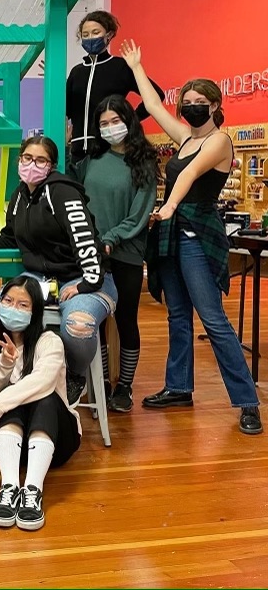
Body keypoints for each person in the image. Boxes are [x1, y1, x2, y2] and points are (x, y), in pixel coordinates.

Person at [120, 39, 262, 435]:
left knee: (213, 320)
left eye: (199, 99)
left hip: (197, 234)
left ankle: (248, 401)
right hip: (171, 235)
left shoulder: (220, 141)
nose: (191, 104)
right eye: (187, 99)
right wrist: (136, 68)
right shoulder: (185, 136)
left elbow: (187, 174)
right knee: (178, 315)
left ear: (215, 106)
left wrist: (167, 208)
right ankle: (179, 387)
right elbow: (150, 107)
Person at [0, 136, 117, 407]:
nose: (32, 164)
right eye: (27, 158)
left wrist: (87, 283)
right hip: (42, 279)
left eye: (40, 160)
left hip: (83, 278)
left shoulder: (62, 192)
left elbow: (85, 238)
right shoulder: (20, 194)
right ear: (20, 159)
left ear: (52, 165)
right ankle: (19, 366)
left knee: (78, 326)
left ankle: (73, 376)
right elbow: (10, 238)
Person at [70, 94, 159, 412]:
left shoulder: (144, 162)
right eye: (103, 123)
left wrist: (110, 238)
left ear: (129, 122)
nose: (109, 128)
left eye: (115, 121)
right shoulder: (91, 159)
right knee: (96, 318)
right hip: (91, 252)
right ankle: (103, 383)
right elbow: (72, 191)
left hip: (126, 252)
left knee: (126, 319)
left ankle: (124, 388)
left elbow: (140, 213)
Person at [0, 276, 80, 531]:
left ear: (36, 311)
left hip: (57, 440)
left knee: (42, 396)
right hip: (11, 445)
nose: (13, 308)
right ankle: (10, 486)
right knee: (11, 397)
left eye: (24, 305)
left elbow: (43, 381)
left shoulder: (50, 341)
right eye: (9, 301)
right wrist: (5, 364)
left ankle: (33, 490)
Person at [67, 10, 164, 162]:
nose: (90, 38)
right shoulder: (76, 72)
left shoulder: (121, 67)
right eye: (85, 35)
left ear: (109, 35)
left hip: (109, 149)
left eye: (95, 32)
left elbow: (157, 95)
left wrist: (130, 120)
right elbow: (66, 110)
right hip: (78, 152)